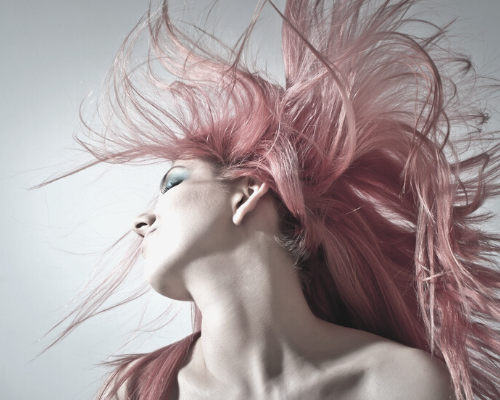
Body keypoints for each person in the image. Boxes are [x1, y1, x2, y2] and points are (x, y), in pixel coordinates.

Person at [42, 0, 500, 399]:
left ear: (246, 192)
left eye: (172, 183)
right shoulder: (134, 389)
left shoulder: (401, 383)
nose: (140, 220)